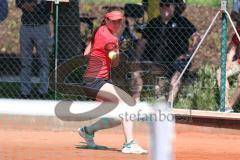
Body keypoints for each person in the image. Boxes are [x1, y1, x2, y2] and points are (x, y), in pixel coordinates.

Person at [78, 10, 147, 154]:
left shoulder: (99, 30)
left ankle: (87, 131)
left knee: (116, 118)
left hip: (93, 80)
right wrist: (116, 53)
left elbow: (86, 52)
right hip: (95, 81)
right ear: (106, 20)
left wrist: (105, 54)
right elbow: (115, 63)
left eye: (119, 21)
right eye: (113, 21)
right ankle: (129, 144)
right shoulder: (111, 39)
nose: (117, 24)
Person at [134, 0, 200, 103]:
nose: (164, 7)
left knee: (175, 78)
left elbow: (196, 37)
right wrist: (137, 59)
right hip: (160, 60)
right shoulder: (154, 23)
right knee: (155, 82)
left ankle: (170, 104)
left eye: (167, 5)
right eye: (161, 5)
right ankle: (153, 105)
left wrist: (189, 54)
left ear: (173, 7)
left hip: (180, 59)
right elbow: (142, 42)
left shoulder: (181, 21)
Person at [16, 0, 52, 98]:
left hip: (41, 27)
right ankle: (25, 92)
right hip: (26, 28)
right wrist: (33, 4)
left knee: (43, 61)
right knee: (25, 62)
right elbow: (19, 3)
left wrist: (31, 5)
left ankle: (43, 91)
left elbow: (45, 8)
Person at [216, 29, 240, 112]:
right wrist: (229, 60)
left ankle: (230, 105)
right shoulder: (239, 31)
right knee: (220, 72)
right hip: (238, 63)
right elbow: (232, 50)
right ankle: (225, 105)